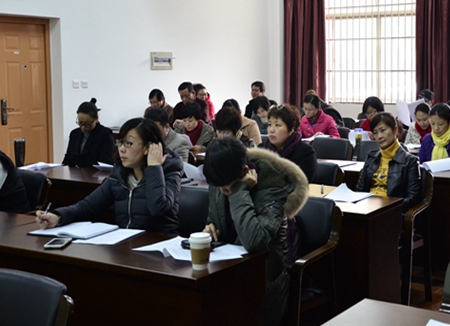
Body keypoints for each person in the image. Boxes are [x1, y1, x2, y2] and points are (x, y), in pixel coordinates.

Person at [202, 137, 308, 325]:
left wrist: (239, 192)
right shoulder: (222, 178)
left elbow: (254, 242)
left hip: (264, 281)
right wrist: (210, 229)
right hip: (227, 272)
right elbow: (215, 219)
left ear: (245, 172)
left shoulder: (273, 186)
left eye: (227, 188)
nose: (223, 192)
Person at [37, 118, 183, 235]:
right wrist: (58, 217)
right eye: (120, 142)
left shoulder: (169, 170)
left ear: (148, 147)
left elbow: (157, 209)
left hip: (159, 247)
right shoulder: (119, 174)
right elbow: (88, 207)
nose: (122, 149)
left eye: (129, 143)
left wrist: (154, 167)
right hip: (126, 244)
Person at [356, 113, 421, 211]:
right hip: (367, 210)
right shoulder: (371, 157)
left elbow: (412, 198)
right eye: (375, 133)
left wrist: (386, 207)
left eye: (383, 130)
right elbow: (359, 191)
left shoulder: (410, 161)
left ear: (395, 130)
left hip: (390, 211)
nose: (379, 136)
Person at [260, 104, 317, 181]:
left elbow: (302, 183)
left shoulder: (306, 153)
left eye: (277, 125)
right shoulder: (261, 149)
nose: (271, 130)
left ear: (291, 128)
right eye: (269, 124)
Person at [62, 98, 114, 168]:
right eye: (80, 123)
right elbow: (68, 159)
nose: (83, 127)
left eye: (87, 124)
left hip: (95, 173)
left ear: (96, 119)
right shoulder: (74, 134)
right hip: (75, 173)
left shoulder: (105, 134)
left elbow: (105, 162)